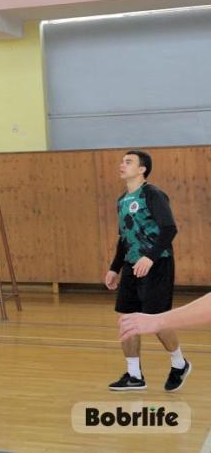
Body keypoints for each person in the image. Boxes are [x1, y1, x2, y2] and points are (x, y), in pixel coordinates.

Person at [104, 150, 189, 392]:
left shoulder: (152, 194)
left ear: (142, 169)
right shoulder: (122, 200)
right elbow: (124, 238)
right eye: (122, 161)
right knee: (127, 319)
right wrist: (114, 268)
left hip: (157, 264)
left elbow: (169, 229)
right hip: (131, 267)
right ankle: (134, 375)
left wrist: (150, 258)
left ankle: (179, 364)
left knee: (156, 320)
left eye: (128, 161)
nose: (122, 164)